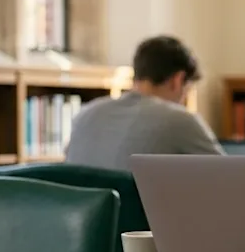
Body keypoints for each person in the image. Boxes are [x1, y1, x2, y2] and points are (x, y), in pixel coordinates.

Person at [63, 35, 223, 171]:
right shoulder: (179, 120)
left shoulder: (85, 115)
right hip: (142, 208)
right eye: (186, 91)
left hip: (85, 208)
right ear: (178, 80)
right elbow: (231, 178)